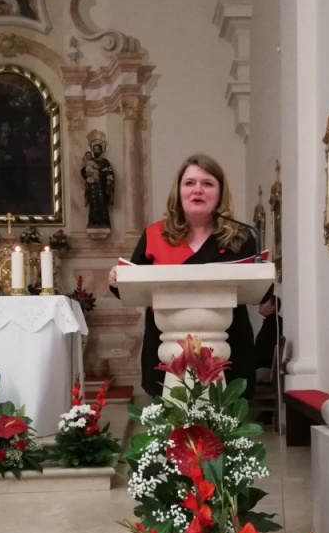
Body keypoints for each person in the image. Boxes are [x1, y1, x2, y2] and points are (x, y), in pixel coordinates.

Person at [109, 154, 258, 398]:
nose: (198, 189)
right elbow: (129, 285)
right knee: (171, 416)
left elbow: (260, 290)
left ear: (221, 192)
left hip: (228, 343)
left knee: (224, 417)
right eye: (189, 183)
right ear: (178, 191)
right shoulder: (155, 235)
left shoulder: (241, 237)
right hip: (167, 344)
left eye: (207, 183)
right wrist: (117, 278)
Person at [83, 134, 114, 228]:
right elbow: (84, 171)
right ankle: (93, 222)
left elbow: (109, 172)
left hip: (101, 185)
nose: (96, 151)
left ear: (101, 151)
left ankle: (103, 222)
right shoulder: (89, 161)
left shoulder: (105, 162)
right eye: (94, 149)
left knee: (101, 202)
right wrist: (86, 174)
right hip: (92, 185)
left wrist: (109, 180)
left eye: (97, 149)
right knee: (93, 203)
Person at [254, 287, 282, 383]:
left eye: (264, 302)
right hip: (261, 367)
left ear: (273, 307)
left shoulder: (275, 323)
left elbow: (273, 351)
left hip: (266, 369)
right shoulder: (270, 322)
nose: (260, 304)